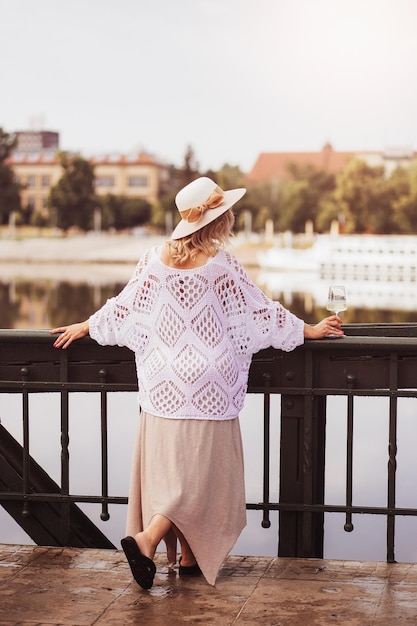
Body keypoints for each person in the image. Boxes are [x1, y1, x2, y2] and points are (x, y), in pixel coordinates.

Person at [50, 176, 343, 590]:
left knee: (174, 472)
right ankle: (148, 540)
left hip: (163, 383)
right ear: (216, 221)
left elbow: (124, 308)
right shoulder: (222, 266)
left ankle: (188, 559)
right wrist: (308, 330)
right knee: (201, 477)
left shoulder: (152, 260)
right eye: (227, 214)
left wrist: (87, 324)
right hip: (211, 385)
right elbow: (261, 314)